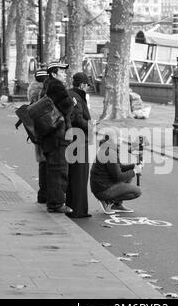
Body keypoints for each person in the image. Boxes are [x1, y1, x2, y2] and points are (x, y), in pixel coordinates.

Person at [37, 61, 74, 214]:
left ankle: (51, 200)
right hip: (58, 134)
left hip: (48, 134)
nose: (65, 75)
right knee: (59, 169)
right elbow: (67, 106)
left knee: (51, 169)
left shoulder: (46, 86)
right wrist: (73, 101)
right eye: (62, 72)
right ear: (54, 74)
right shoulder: (56, 86)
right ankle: (56, 203)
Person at [90, 134, 143, 215]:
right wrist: (135, 171)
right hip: (102, 189)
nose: (122, 139)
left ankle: (117, 205)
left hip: (102, 185)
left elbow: (118, 167)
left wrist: (133, 166)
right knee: (137, 191)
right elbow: (118, 176)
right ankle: (106, 200)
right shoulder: (109, 152)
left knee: (129, 176)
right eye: (119, 137)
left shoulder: (110, 148)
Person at [65, 72, 92, 218]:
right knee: (80, 175)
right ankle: (78, 209)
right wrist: (91, 126)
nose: (87, 88)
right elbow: (78, 119)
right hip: (79, 140)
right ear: (82, 84)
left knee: (74, 174)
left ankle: (72, 205)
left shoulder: (70, 94)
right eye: (87, 85)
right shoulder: (77, 97)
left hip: (72, 139)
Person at [27, 67, 49, 203]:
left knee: (42, 162)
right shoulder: (43, 92)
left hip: (37, 129)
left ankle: (42, 194)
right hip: (45, 128)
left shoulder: (33, 92)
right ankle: (45, 193)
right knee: (46, 163)